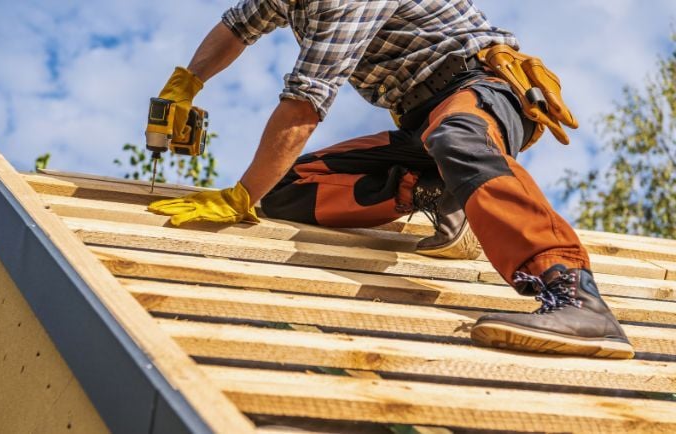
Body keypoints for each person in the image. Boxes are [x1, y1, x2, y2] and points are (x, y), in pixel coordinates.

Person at [147, 0, 635, 359]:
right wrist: (186, 83)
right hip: (422, 124)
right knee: (284, 187)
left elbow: (304, 104)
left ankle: (574, 294)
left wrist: (239, 196)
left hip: (481, 89)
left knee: (457, 138)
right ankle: (436, 190)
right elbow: (237, 26)